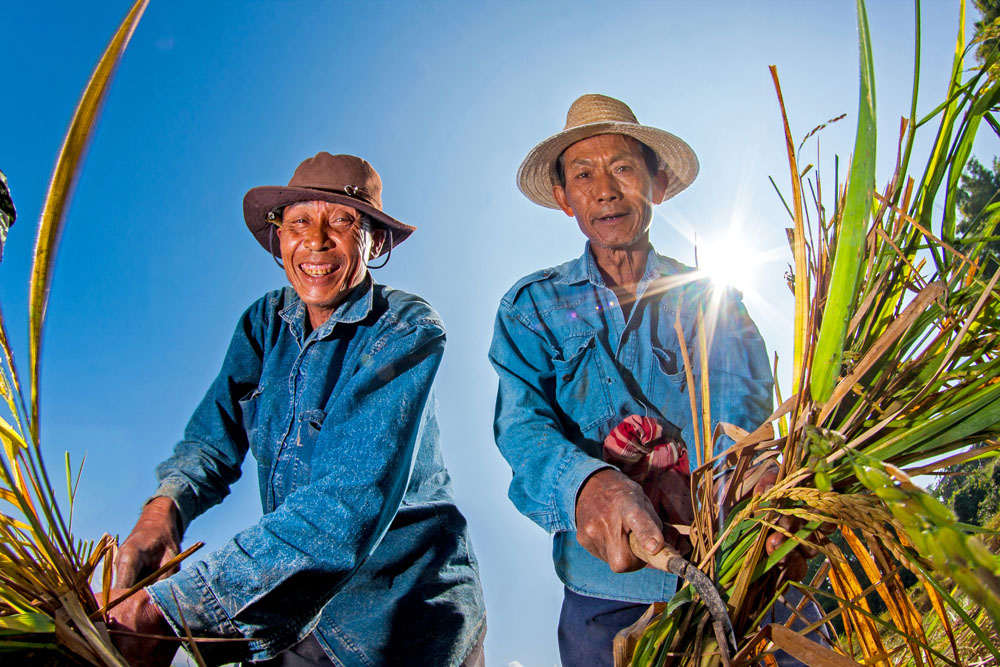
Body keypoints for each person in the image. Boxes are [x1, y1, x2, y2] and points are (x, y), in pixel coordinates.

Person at [109, 152, 486, 666]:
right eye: (298, 222)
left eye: (342, 220)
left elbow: (346, 503)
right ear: (279, 238)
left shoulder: (405, 327)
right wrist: (163, 512)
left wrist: (168, 609)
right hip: (292, 611)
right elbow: (210, 441)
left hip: (397, 623)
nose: (316, 239)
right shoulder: (263, 323)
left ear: (373, 240)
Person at [489, 94, 811, 666]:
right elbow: (523, 430)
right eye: (583, 174)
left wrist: (752, 477)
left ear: (656, 184)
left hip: (742, 562)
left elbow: (744, 410)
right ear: (564, 199)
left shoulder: (711, 294)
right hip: (608, 598)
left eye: (623, 168)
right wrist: (589, 486)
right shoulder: (531, 308)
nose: (605, 189)